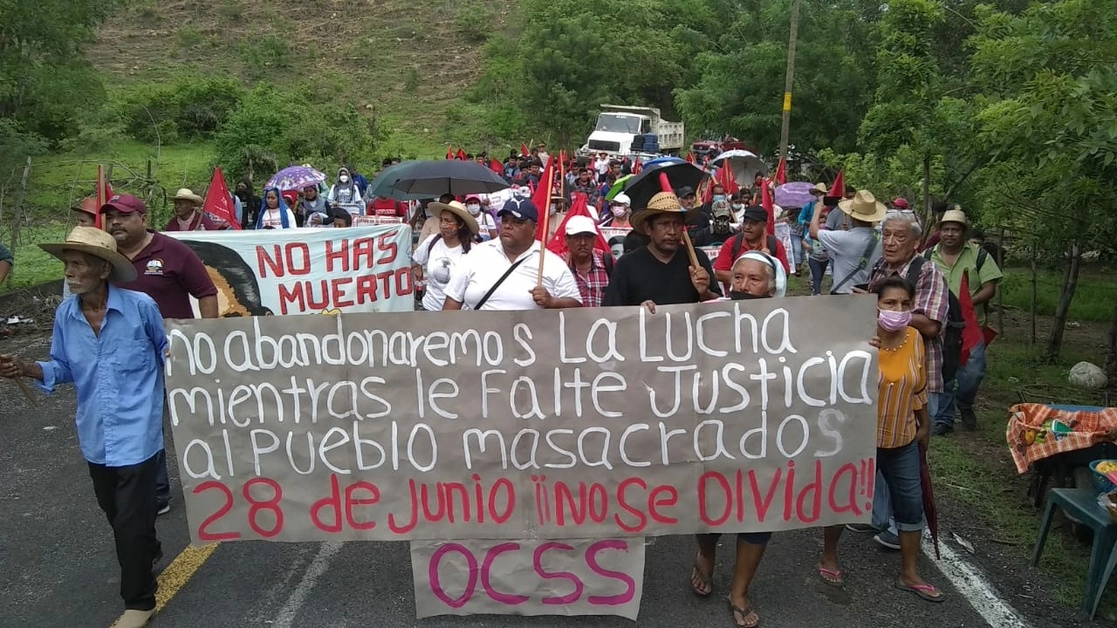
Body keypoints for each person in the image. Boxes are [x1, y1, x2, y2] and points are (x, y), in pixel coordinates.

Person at [0, 226, 167, 628]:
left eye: (77, 265)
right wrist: (26, 367)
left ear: (103, 270)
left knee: (128, 520)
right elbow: (63, 367)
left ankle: (140, 601)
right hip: (95, 435)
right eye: (67, 264)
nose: (69, 272)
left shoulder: (141, 307)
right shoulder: (66, 314)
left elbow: (170, 352)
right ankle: (147, 549)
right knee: (117, 515)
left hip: (139, 432)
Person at [817, 276, 943, 604]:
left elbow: (919, 387)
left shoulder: (915, 338)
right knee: (844, 499)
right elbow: (830, 382)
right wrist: (856, 352)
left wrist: (925, 426)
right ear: (875, 306)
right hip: (860, 439)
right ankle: (829, 556)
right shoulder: (857, 337)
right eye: (890, 303)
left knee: (910, 504)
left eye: (904, 304)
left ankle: (910, 573)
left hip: (902, 440)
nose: (898, 310)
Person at [102, 193, 219, 515]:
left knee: (192, 420)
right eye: (110, 217)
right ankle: (156, 493)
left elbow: (206, 292)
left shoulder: (172, 251)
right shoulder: (104, 256)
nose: (115, 223)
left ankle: (218, 480)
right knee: (143, 424)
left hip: (176, 353)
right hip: (126, 358)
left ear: (143, 217)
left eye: (123, 216)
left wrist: (204, 339)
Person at [691, 250, 784, 628]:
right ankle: (707, 554)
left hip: (766, 434)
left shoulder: (797, 325)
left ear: (771, 286)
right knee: (708, 505)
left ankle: (740, 590)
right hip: (714, 431)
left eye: (754, 279)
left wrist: (860, 349)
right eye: (739, 278)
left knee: (759, 511)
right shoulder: (709, 312)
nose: (743, 285)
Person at [867, 211, 950, 433]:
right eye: (886, 235)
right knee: (875, 437)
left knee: (912, 438)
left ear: (916, 243)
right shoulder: (879, 267)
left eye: (899, 237)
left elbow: (932, 326)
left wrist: (891, 314)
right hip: (880, 372)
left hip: (917, 375)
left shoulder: (927, 271)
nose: (890, 243)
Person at [924, 209, 1003, 431]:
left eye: (955, 230)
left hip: (971, 325)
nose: (950, 234)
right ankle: (944, 419)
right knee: (942, 371)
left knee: (973, 372)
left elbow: (990, 288)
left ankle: (965, 403)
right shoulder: (928, 255)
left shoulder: (979, 255)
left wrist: (965, 304)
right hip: (939, 325)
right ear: (939, 232)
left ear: (963, 232)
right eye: (946, 229)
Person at [443, 199, 581, 311]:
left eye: (517, 222)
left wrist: (553, 302)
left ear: (534, 229)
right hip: (477, 343)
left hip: (529, 343)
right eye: (505, 220)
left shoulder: (552, 263)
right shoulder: (477, 254)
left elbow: (577, 307)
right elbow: (452, 301)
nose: (508, 226)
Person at [603, 191, 720, 309]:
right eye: (664, 224)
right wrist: (637, 312)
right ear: (648, 228)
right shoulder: (627, 265)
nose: (672, 232)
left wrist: (705, 293)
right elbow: (612, 313)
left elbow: (720, 308)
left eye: (677, 224)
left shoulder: (697, 259)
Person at [810, 189, 884, 295]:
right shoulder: (881, 237)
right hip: (868, 293)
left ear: (851, 217)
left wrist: (818, 209)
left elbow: (813, 232)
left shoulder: (845, 238)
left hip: (844, 293)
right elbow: (876, 225)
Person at [413, 200, 476, 311]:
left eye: (448, 221)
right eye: (441, 220)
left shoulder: (473, 251)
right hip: (429, 309)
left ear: (460, 224)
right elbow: (414, 262)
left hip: (458, 315)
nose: (443, 225)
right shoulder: (432, 241)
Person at [712, 206, 789, 286]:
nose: (747, 227)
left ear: (764, 225)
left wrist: (771, 261)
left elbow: (784, 274)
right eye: (745, 222)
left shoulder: (775, 245)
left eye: (753, 223)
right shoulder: (732, 243)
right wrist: (748, 281)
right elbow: (719, 273)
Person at [563, 215, 612, 308]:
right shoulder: (557, 266)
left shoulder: (608, 261)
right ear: (567, 240)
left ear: (594, 240)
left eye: (587, 237)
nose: (583, 243)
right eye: (577, 237)